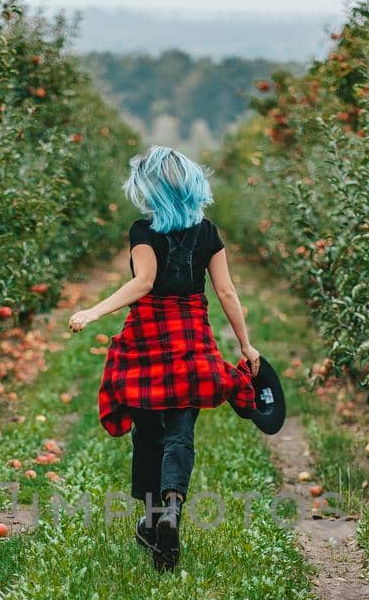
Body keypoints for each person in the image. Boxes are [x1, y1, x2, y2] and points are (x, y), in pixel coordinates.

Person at [69, 145, 260, 571]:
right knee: (180, 431)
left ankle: (154, 521)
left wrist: (94, 310)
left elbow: (144, 283)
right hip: (191, 338)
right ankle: (172, 511)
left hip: (148, 339)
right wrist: (246, 346)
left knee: (147, 433)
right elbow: (227, 292)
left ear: (148, 190)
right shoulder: (207, 231)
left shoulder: (143, 231)